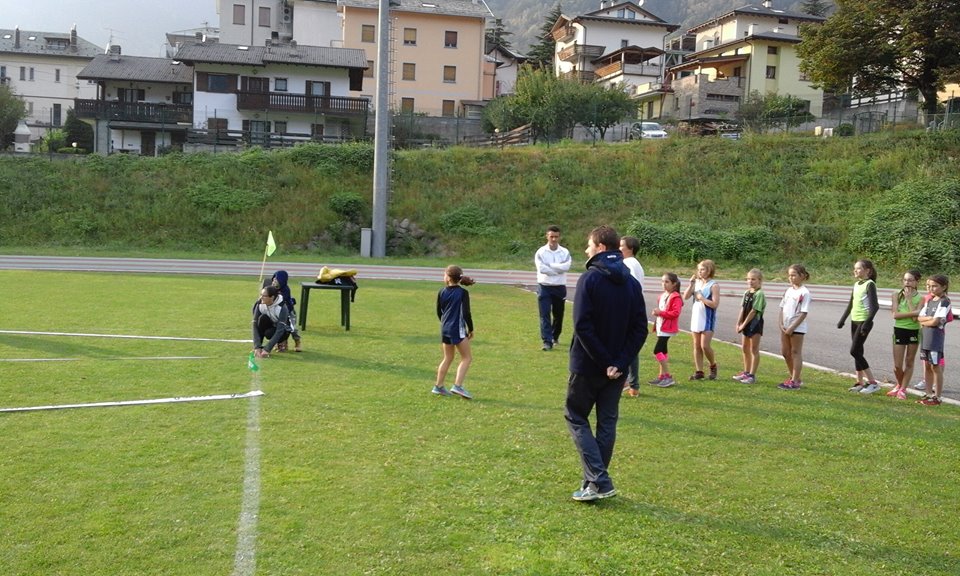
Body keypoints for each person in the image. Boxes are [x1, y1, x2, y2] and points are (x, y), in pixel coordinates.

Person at [566, 226, 647, 502]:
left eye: (589, 245)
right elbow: (639, 329)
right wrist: (619, 363)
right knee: (606, 423)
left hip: (589, 365)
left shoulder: (589, 279)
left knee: (575, 416)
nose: (586, 250)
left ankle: (598, 480)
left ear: (600, 247)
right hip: (615, 369)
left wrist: (608, 362)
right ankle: (594, 484)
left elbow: (582, 325)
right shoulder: (631, 283)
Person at [837, 259, 881, 393]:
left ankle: (873, 383)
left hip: (863, 321)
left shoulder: (870, 284)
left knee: (854, 351)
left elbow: (875, 307)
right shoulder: (856, 284)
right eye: (854, 268)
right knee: (858, 352)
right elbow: (851, 303)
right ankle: (859, 382)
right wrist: (843, 319)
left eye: (858, 268)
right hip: (854, 321)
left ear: (867, 270)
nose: (855, 271)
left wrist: (866, 324)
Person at [433, 265, 475, 399]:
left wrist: (445, 323)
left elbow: (439, 311)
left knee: (448, 357)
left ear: (448, 278)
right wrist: (471, 328)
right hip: (457, 328)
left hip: (445, 328)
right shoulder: (463, 293)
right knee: (467, 358)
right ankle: (458, 386)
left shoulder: (441, 292)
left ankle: (438, 386)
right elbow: (466, 313)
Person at [535, 225, 572, 351]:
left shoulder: (564, 252)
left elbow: (566, 267)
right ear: (547, 236)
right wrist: (557, 269)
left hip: (559, 287)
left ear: (559, 237)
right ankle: (547, 341)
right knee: (544, 314)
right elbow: (542, 269)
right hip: (544, 286)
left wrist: (550, 265)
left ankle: (555, 336)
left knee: (558, 315)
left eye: (556, 237)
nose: (554, 239)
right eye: (551, 237)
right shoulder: (541, 252)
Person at [888, 270, 923, 400]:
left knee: (909, 361)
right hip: (899, 329)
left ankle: (902, 389)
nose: (907, 283)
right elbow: (895, 315)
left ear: (917, 282)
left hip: (913, 330)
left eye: (910, 280)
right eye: (905, 280)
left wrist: (909, 300)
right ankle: (899, 384)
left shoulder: (921, 298)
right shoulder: (896, 294)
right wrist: (914, 312)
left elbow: (915, 320)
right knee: (897, 365)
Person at [916, 275, 951, 406]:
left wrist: (927, 320)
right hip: (925, 337)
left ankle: (937, 396)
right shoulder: (929, 300)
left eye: (935, 286)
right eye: (929, 286)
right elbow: (919, 317)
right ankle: (928, 394)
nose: (931, 288)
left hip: (935, 339)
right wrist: (928, 319)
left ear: (944, 287)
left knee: (935, 366)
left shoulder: (944, 301)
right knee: (927, 366)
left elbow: (936, 321)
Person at [683, 259, 720, 380]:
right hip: (696, 317)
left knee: (705, 345)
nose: (700, 272)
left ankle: (713, 365)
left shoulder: (714, 285)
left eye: (702, 269)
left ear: (709, 270)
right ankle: (699, 371)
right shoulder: (697, 283)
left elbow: (715, 304)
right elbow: (686, 296)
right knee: (697, 345)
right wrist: (691, 284)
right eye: (699, 269)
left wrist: (702, 298)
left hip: (707, 319)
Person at [619, 235, 645, 397]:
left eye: (622, 246)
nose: (619, 248)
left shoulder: (629, 264)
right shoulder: (634, 263)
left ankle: (631, 382)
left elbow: (630, 289)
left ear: (630, 249)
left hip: (629, 311)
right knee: (627, 346)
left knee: (628, 347)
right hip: (632, 309)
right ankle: (630, 383)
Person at [778, 264, 811, 390]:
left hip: (797, 328)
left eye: (794, 275)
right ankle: (794, 376)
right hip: (785, 326)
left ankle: (795, 380)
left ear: (802, 276)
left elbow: (803, 313)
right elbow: (782, 308)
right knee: (785, 352)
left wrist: (792, 327)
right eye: (789, 275)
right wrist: (781, 323)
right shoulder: (789, 290)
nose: (791, 278)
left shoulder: (804, 292)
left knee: (795, 352)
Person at [732, 269, 766, 384]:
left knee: (754, 349)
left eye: (753, 279)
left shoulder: (759, 294)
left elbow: (753, 311)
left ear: (759, 280)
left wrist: (743, 324)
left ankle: (752, 375)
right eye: (748, 279)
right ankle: (746, 372)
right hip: (745, 324)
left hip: (754, 324)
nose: (750, 281)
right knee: (745, 348)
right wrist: (738, 323)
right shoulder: (747, 293)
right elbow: (743, 308)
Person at [649, 272, 682, 388]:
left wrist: (660, 313)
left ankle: (668, 376)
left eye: (667, 282)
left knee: (657, 351)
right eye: (662, 281)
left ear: (674, 284)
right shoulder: (662, 296)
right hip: (660, 326)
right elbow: (662, 310)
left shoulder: (675, 297)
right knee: (663, 351)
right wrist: (657, 313)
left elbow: (675, 313)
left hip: (667, 328)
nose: (664, 284)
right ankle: (661, 376)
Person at [252, 285, 292, 358]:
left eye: (264, 296)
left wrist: (267, 349)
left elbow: (280, 330)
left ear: (272, 297)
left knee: (269, 333)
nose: (261, 297)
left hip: (284, 330)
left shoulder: (282, 308)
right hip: (272, 325)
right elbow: (254, 324)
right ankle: (259, 348)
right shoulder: (260, 303)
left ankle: (282, 342)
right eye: (261, 295)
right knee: (262, 319)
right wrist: (257, 346)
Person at [270, 270, 302, 352]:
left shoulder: (285, 290)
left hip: (289, 312)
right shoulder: (271, 289)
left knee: (292, 328)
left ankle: (297, 342)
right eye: (274, 279)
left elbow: (280, 300)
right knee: (279, 327)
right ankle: (281, 343)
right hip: (277, 312)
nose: (274, 281)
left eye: (276, 280)